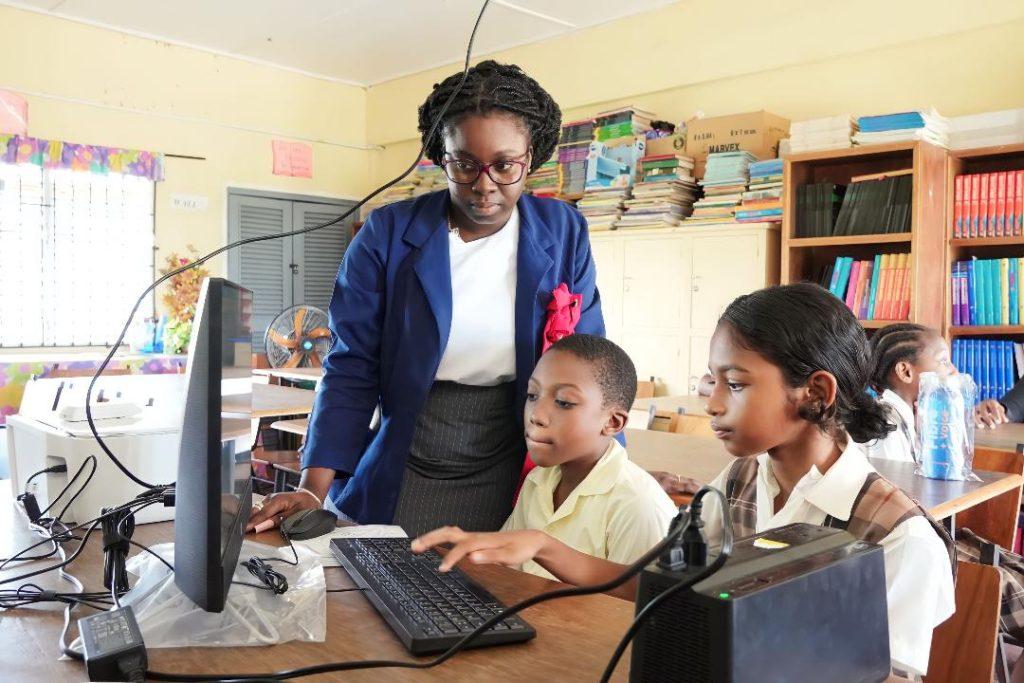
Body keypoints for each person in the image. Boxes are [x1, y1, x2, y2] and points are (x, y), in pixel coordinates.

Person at [413, 284, 955, 677]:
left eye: (736, 384)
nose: (713, 402)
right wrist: (543, 546)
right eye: (712, 379)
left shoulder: (897, 538)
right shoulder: (740, 480)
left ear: (814, 391)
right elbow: (657, 587)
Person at [247, 60, 606, 535]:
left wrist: (614, 475)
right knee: (394, 586)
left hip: (523, 449)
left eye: (504, 165)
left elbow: (591, 365)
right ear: (442, 155)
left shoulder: (562, 232)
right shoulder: (388, 235)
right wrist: (313, 489)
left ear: (530, 156)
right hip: (412, 452)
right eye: (464, 163)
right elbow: (352, 366)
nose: (483, 184)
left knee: (501, 588)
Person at [499, 334, 677, 579]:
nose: (537, 415)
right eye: (532, 395)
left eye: (563, 402)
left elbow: (636, 604)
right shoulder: (538, 480)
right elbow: (503, 568)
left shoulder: (637, 503)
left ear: (612, 422)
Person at [862, 323, 956, 462]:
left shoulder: (905, 416)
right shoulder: (887, 429)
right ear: (905, 372)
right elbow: (898, 482)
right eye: (943, 361)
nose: (954, 370)